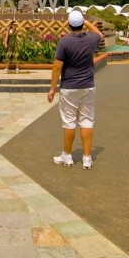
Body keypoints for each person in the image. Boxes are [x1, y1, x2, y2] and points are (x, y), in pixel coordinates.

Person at [47, 10, 102, 169]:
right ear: (82, 24)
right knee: (87, 120)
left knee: (69, 122)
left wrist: (52, 89)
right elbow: (98, 33)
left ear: (69, 24)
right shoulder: (91, 39)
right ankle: (86, 158)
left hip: (69, 87)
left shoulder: (65, 42)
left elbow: (57, 67)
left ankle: (68, 156)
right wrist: (86, 22)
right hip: (88, 86)